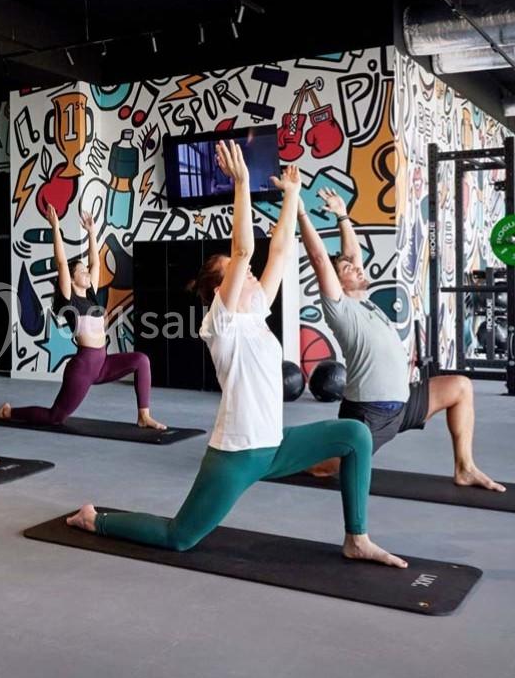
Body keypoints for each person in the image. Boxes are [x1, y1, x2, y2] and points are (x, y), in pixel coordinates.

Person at [66, 142, 406, 569]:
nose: (247, 271)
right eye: (237, 272)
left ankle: (357, 538)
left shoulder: (255, 308)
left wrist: (292, 198)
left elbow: (279, 252)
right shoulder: (221, 321)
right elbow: (245, 250)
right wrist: (242, 184)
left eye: (244, 271)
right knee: (181, 537)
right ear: (218, 290)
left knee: (355, 435)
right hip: (239, 453)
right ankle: (94, 520)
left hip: (276, 444)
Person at [298, 187, 503, 492]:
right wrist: (300, 211)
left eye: (354, 265)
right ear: (337, 282)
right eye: (347, 269)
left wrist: (343, 214)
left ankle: (465, 467)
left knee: (460, 386)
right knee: (326, 469)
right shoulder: (340, 308)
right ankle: (286, 458)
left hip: (404, 403)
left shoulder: (363, 300)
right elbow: (318, 258)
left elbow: (352, 255)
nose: (357, 266)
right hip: (370, 413)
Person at [0, 204, 165, 430]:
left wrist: (92, 233)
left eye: (85, 271)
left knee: (141, 360)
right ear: (71, 280)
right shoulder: (69, 298)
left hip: (102, 363)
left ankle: (144, 416)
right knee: (56, 417)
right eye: (81, 271)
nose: (86, 273)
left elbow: (96, 263)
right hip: (83, 366)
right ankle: (8, 412)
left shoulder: (90, 295)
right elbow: (62, 263)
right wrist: (55, 227)